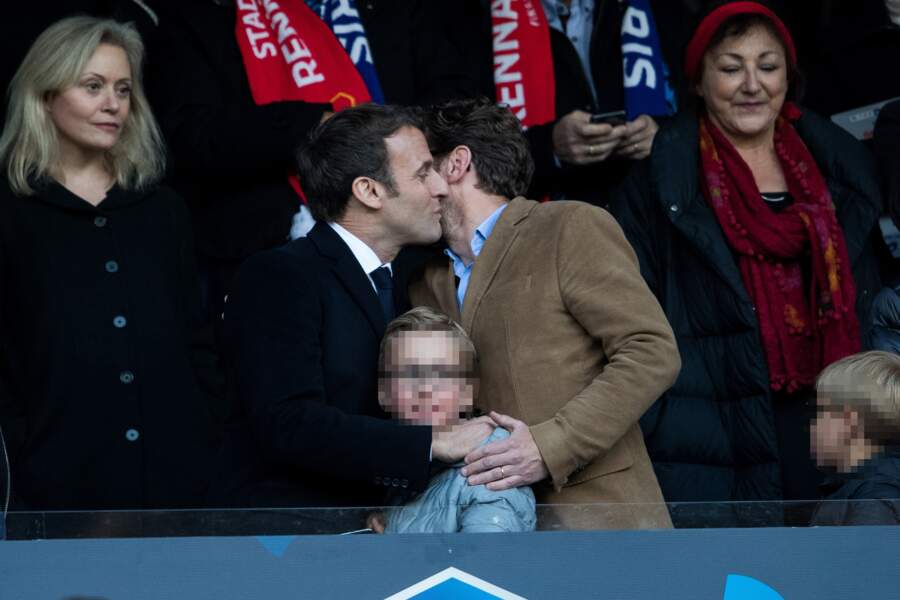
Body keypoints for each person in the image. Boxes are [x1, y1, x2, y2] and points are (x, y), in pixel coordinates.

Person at [609, 2, 883, 504]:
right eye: (731, 68)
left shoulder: (843, 170)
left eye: (768, 66)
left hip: (832, 417)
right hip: (710, 429)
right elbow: (625, 320)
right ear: (697, 81)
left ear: (789, 77)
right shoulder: (656, 186)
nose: (752, 84)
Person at [410, 98, 679, 530]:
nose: (416, 185)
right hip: (489, 536)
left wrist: (550, 445)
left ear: (456, 163)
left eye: (424, 169)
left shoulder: (567, 226)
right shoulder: (425, 277)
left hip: (602, 525)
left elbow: (652, 351)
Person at [211, 104, 495, 510]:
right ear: (369, 191)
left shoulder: (407, 278)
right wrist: (433, 443)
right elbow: (288, 422)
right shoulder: (280, 275)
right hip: (288, 541)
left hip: (373, 536)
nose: (441, 187)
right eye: (422, 173)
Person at [145, 0, 479, 342]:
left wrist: (381, 136)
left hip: (403, 252)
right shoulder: (203, 19)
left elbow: (456, 106)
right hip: (261, 247)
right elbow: (190, 137)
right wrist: (313, 125)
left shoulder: (397, 11)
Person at [0, 17, 220, 510]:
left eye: (123, 89)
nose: (113, 104)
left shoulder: (163, 209)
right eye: (93, 86)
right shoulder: (11, 213)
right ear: (45, 94)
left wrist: (210, 440)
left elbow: (195, 342)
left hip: (176, 479)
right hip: (52, 482)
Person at [436, 0, 703, 204]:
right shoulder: (471, 20)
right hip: (544, 226)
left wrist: (662, 135)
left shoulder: (662, 7)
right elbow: (459, 146)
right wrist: (549, 147)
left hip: (659, 208)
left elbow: (707, 106)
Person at [372, 306, 536, 534]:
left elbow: (487, 563)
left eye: (443, 374)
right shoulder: (398, 473)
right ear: (384, 393)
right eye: (409, 374)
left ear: (468, 392)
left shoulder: (490, 473)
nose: (426, 389)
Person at [810, 351, 900, 525]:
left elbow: (868, 551)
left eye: (821, 412)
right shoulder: (858, 487)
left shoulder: (875, 496)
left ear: (847, 422)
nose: (813, 426)